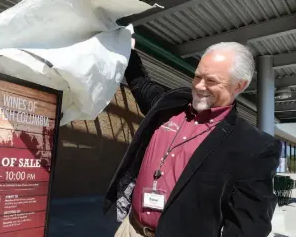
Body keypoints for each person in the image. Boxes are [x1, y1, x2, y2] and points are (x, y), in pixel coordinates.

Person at [103, 41, 281, 237]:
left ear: (240, 85)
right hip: (131, 229)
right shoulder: (169, 106)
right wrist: (126, 46)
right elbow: (141, 85)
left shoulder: (253, 146)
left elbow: (249, 226)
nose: (199, 86)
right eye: (197, 76)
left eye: (211, 81)